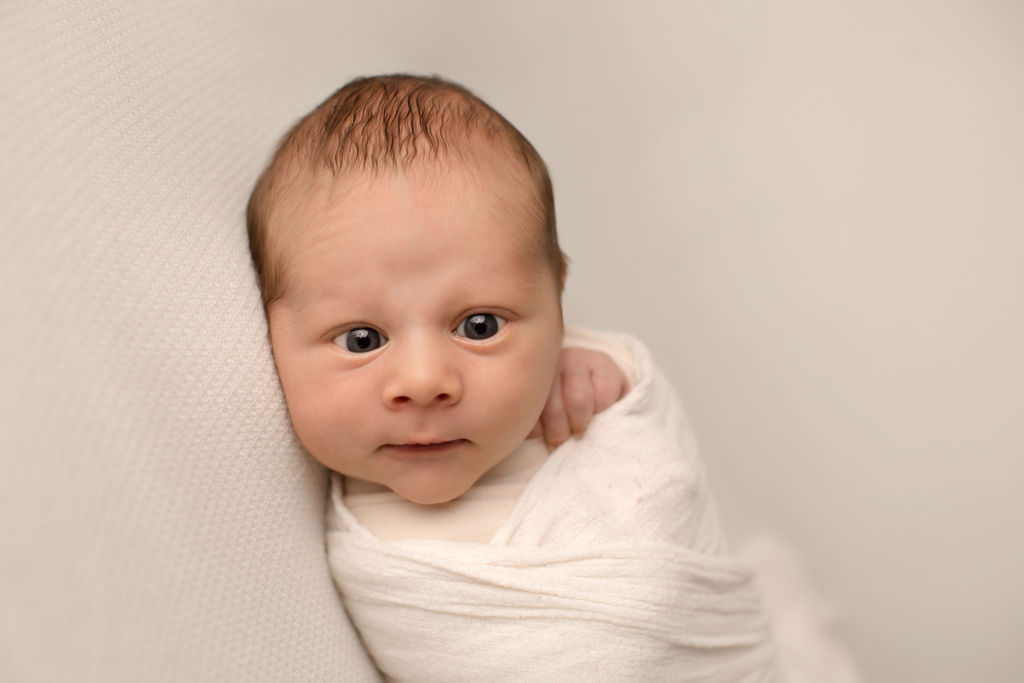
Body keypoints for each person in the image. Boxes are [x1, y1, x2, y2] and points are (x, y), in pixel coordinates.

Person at [247, 74, 777, 681]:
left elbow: (660, 464)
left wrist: (601, 367)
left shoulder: (577, 394)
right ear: (268, 336)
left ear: (557, 304)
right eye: (361, 340)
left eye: (479, 326)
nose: (424, 381)